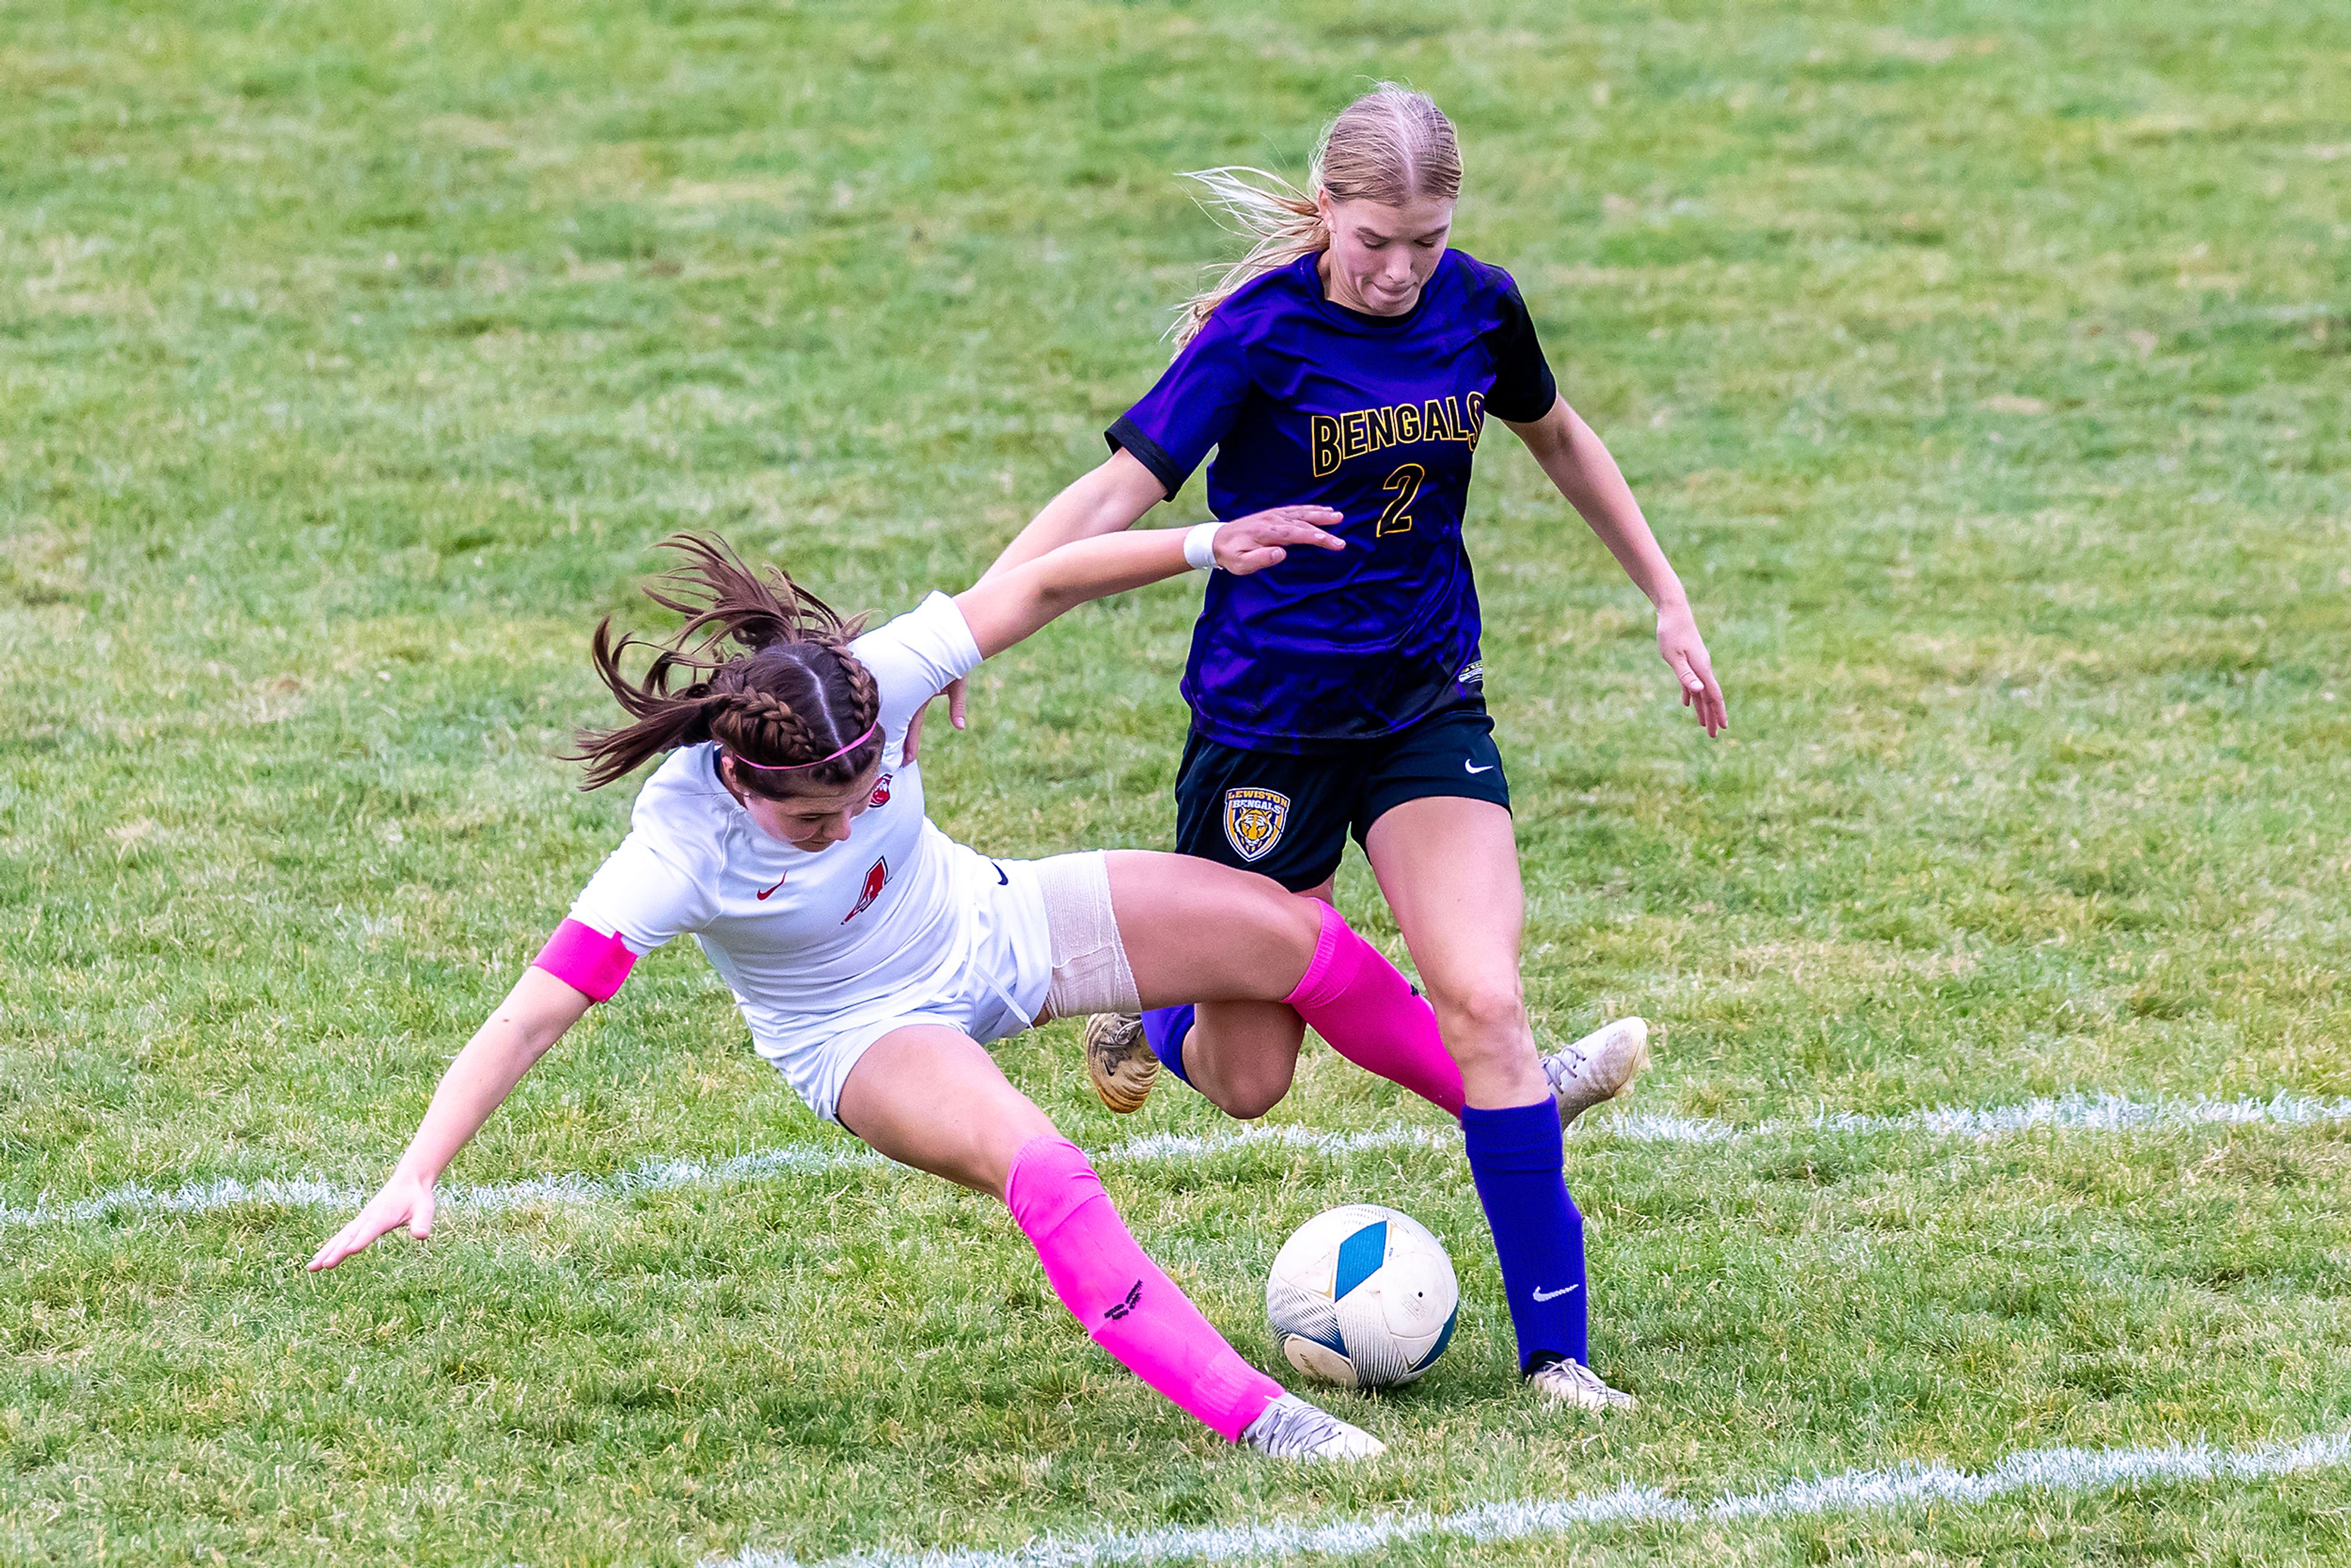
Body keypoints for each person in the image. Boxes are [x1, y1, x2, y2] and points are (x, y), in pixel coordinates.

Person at [306, 511, 1580, 1460]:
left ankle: (1505, 1099)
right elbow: (535, 1010)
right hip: (863, 1035)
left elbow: (1038, 583)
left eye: (868, 798)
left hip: (995, 921)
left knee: (1293, 938)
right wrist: (417, 1171)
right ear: (747, 786)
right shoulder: (677, 846)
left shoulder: (873, 678)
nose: (849, 823)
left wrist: (1207, 544)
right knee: (1053, 1172)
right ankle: (1264, 1420)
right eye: (819, 822)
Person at [978, 84, 1729, 1411]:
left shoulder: (1481, 305)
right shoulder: (1258, 334)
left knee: (1485, 1002)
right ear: (1326, 209)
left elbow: (1559, 436)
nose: (1396, 271)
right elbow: (1117, 493)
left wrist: (1664, 593)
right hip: (1265, 730)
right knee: (1255, 1080)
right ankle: (1149, 1008)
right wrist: (966, 631)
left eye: (1423, 242)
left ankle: (1564, 1360)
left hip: (1425, 706)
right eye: (1374, 238)